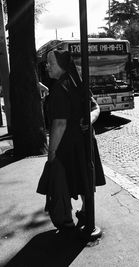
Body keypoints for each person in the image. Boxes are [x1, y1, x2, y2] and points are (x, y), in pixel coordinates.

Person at [38, 49, 105, 231]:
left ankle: (66, 219)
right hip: (84, 141)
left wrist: (51, 152)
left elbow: (59, 124)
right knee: (84, 178)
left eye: (51, 63)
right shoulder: (76, 82)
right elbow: (96, 107)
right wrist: (89, 120)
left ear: (61, 65)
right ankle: (85, 212)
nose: (47, 66)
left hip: (67, 145)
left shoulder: (60, 87)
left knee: (64, 180)